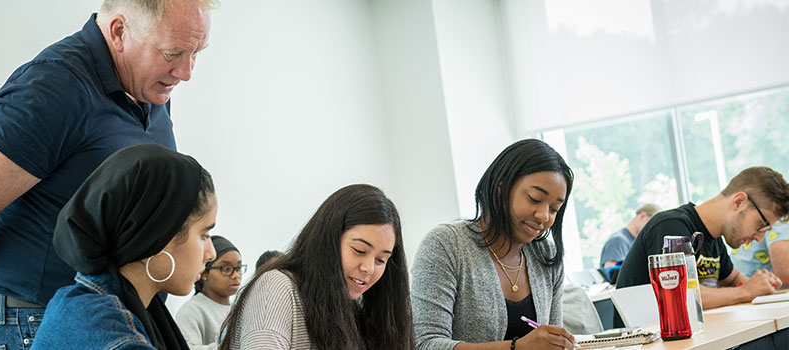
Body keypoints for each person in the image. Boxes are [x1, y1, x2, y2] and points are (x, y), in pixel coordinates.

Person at [0, 0, 216, 347]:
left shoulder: (149, 88)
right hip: (33, 321)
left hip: (116, 318)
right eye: (173, 53)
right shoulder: (54, 86)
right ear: (119, 32)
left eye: (196, 53)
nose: (187, 71)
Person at [31, 144, 217, 349]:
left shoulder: (78, 304)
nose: (211, 253)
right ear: (156, 235)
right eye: (204, 235)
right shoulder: (116, 338)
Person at [411, 139, 577, 350]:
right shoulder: (446, 245)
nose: (543, 216)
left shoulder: (547, 256)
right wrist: (516, 348)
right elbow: (425, 344)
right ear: (501, 188)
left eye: (554, 209)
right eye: (534, 199)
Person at [219, 184, 414, 350]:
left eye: (381, 260)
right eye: (359, 250)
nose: (369, 268)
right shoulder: (278, 288)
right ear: (327, 240)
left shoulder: (353, 311)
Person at [617, 167, 789, 310]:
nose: (759, 238)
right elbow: (679, 296)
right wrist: (746, 291)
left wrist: (763, 285)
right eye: (761, 225)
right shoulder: (671, 227)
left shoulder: (714, 239)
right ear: (738, 202)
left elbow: (733, 279)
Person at [176, 236, 245, 350]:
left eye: (238, 268)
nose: (236, 275)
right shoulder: (192, 311)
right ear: (204, 273)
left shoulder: (238, 309)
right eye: (226, 269)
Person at [598, 204, 660, 282]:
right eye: (651, 223)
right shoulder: (618, 240)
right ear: (643, 216)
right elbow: (611, 273)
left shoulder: (635, 242)